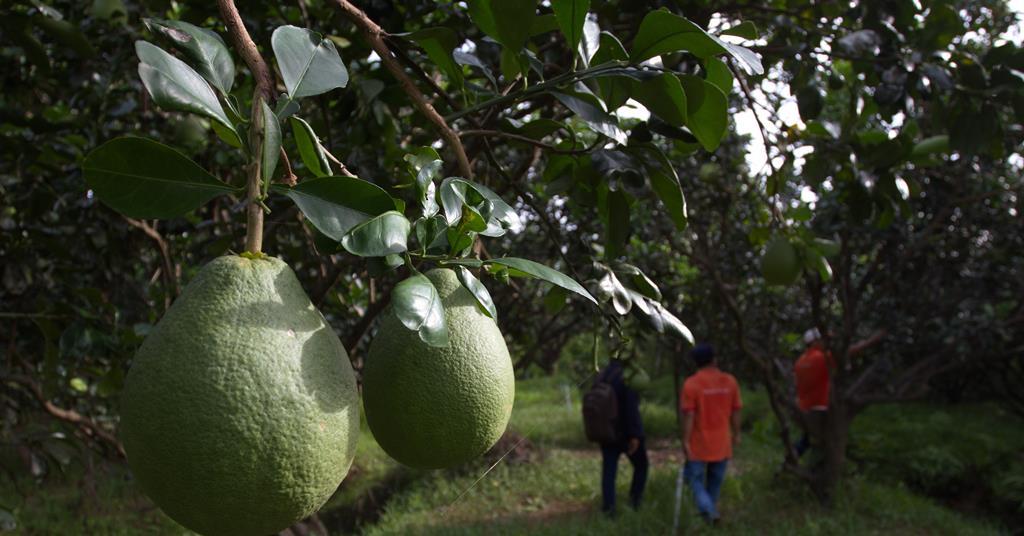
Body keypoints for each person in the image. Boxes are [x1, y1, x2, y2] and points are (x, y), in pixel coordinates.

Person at [794, 328, 886, 457]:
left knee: (808, 439)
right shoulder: (821, 358)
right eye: (824, 339)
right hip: (820, 409)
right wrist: (873, 340)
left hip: (804, 409)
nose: (828, 342)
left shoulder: (800, 360)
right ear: (814, 342)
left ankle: (796, 455)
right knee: (828, 439)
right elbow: (850, 351)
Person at [680, 343, 742, 524]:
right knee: (714, 482)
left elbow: (689, 415)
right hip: (722, 441)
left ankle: (709, 513)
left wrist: (685, 440)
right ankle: (711, 515)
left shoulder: (692, 384)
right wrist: (737, 433)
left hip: (699, 443)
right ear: (714, 360)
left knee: (693, 480)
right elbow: (737, 410)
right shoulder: (730, 381)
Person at [596, 359, 647, 514]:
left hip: (606, 432)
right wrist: (635, 434)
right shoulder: (627, 377)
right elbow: (631, 409)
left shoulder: (602, 375)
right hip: (624, 433)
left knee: (609, 472)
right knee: (641, 466)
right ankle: (635, 502)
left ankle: (608, 509)